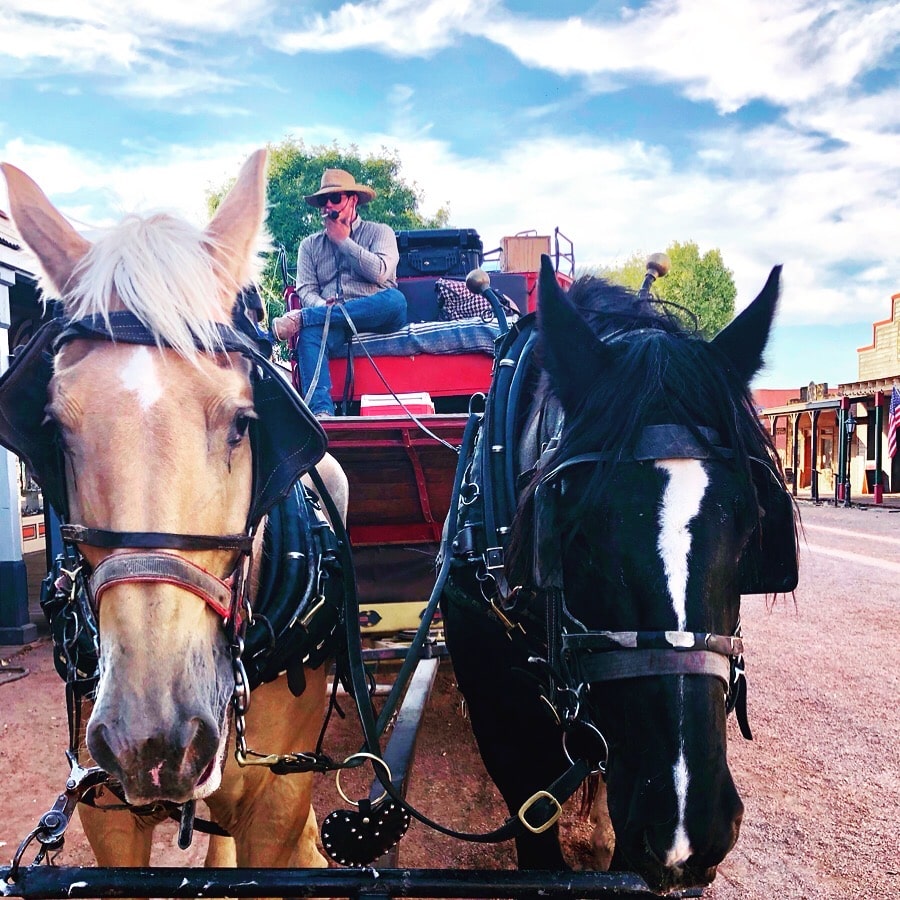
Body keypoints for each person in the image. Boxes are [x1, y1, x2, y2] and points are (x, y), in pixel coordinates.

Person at [271, 169, 407, 417]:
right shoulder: (309, 246)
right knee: (311, 334)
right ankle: (321, 413)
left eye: (336, 198)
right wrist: (322, 306)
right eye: (324, 200)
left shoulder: (380, 232)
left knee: (396, 301)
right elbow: (306, 289)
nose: (329, 205)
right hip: (331, 322)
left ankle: (302, 318)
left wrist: (343, 241)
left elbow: (380, 273)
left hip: (374, 314)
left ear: (353, 200)